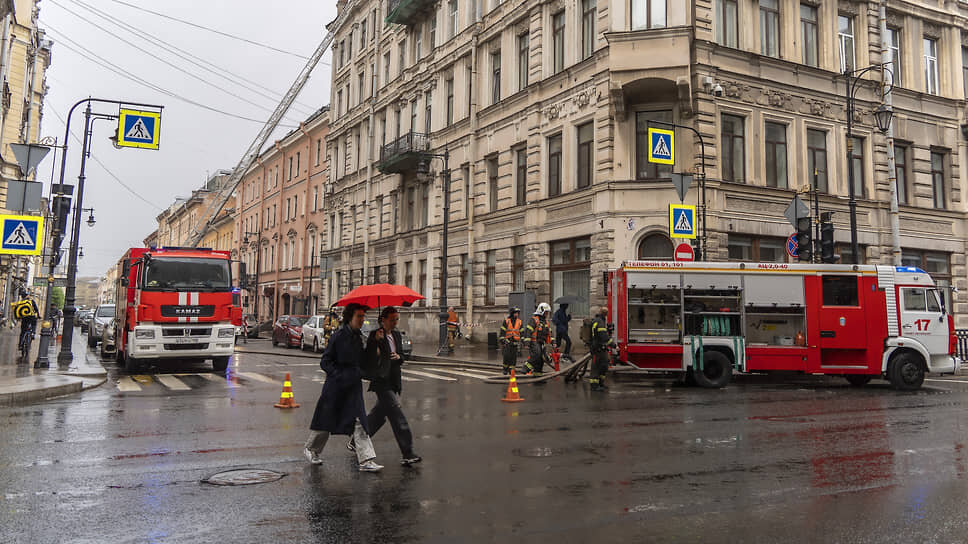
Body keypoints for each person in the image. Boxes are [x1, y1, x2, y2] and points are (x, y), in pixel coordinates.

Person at [304, 302, 383, 472]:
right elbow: (325, 361)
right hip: (335, 387)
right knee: (326, 422)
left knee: (359, 422)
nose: (362, 320)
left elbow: (363, 362)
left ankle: (366, 460)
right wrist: (339, 374)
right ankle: (312, 449)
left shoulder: (359, 337)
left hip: (352, 387)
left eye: (363, 316)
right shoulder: (338, 336)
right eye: (359, 316)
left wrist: (374, 343)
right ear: (350, 318)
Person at [356, 306, 421, 466]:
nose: (395, 323)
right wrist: (375, 343)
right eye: (392, 320)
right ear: (383, 320)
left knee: (379, 414)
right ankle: (408, 452)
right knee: (397, 416)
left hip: (393, 381)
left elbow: (401, 356)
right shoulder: (375, 335)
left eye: (396, 319)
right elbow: (368, 359)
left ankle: (357, 439)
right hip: (381, 381)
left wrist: (400, 357)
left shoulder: (397, 335)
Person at [523, 303, 554, 376]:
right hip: (534, 342)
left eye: (547, 313)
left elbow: (550, 333)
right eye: (546, 312)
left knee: (541, 359)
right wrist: (527, 343)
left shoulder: (546, 322)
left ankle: (538, 375)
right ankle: (526, 367)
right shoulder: (534, 320)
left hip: (541, 343)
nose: (547, 314)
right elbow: (528, 331)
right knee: (537, 355)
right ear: (541, 311)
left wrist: (553, 342)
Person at [589, 306, 616, 391]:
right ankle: (594, 386)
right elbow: (603, 337)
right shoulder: (599, 322)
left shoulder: (600, 321)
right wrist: (614, 345)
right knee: (596, 367)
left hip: (601, 348)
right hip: (597, 348)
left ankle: (600, 383)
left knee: (603, 365)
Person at [13, 290, 39, 356]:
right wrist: (38, 315)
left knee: (23, 332)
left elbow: (17, 310)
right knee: (34, 323)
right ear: (27, 295)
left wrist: (18, 318)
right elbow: (36, 309)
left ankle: (20, 345)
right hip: (31, 317)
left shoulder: (20, 302)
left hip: (24, 318)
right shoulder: (31, 301)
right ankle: (33, 333)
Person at [499, 307, 523, 375]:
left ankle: (511, 369)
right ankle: (505, 369)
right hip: (507, 342)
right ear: (512, 313)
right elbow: (502, 331)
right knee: (506, 356)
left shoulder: (519, 322)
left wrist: (524, 340)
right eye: (515, 313)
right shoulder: (507, 321)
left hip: (515, 342)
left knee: (513, 357)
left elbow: (522, 331)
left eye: (518, 313)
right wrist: (502, 340)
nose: (517, 314)